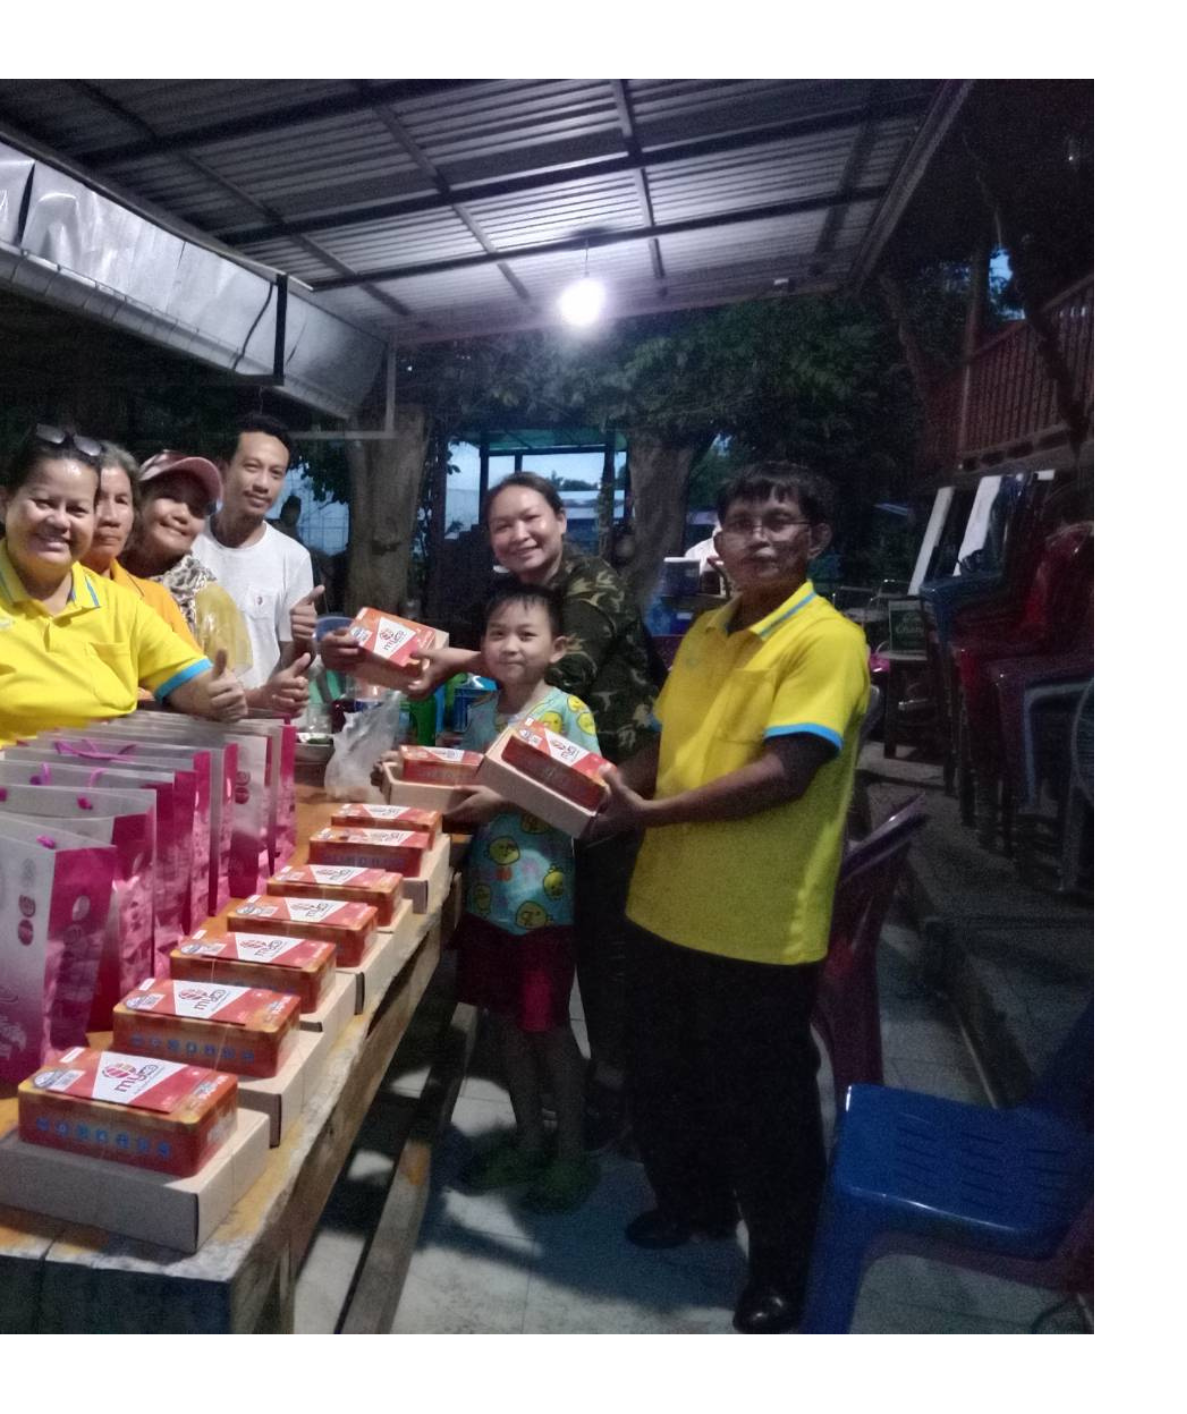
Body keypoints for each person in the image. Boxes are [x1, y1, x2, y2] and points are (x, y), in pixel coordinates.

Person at [587, 462, 869, 1335]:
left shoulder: (826, 642)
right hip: (663, 901)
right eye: (740, 521)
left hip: (757, 920)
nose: (755, 537)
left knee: (766, 1106)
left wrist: (649, 813)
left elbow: (787, 772)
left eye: (777, 521)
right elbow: (663, 743)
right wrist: (605, 790)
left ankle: (783, 1268)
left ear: (816, 538)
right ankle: (695, 1204)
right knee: (667, 1079)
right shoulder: (708, 630)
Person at [331, 471, 656, 1149]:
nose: (519, 534)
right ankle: (540, 1131)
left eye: (531, 517)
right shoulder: (493, 687)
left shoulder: (590, 592)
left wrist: (455, 659)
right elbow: (472, 746)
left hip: (610, 794)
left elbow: (555, 679)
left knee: (603, 962)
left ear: (561, 519)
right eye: (502, 525)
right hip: (498, 885)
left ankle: (606, 1108)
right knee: (511, 1012)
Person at [0, 426, 246, 774]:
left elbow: (191, 681)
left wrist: (216, 693)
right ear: (4, 503)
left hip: (108, 802)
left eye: (77, 510)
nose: (60, 521)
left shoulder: (121, 606)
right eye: (44, 503)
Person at [424, 584, 601, 1212]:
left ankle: (572, 1153)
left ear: (558, 647)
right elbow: (464, 787)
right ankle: (528, 1141)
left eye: (527, 635)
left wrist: (502, 797)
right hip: (486, 900)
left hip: (542, 904)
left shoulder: (568, 712)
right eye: (497, 633)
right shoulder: (478, 712)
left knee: (547, 1028)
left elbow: (589, 795)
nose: (510, 646)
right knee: (503, 1026)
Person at [191, 413, 322, 704]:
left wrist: (302, 637)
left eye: (276, 473)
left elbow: (294, 664)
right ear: (222, 470)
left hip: (258, 717)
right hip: (186, 715)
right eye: (252, 467)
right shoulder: (187, 542)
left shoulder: (293, 558)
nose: (263, 483)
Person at [113, 448, 256, 684]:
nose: (182, 514)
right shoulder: (96, 573)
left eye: (196, 508)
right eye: (170, 497)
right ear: (137, 502)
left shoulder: (209, 600)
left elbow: (225, 692)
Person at [80, 441, 207, 655]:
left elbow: (194, 672)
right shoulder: (43, 587)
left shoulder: (157, 600)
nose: (111, 517)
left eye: (122, 501)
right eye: (97, 499)